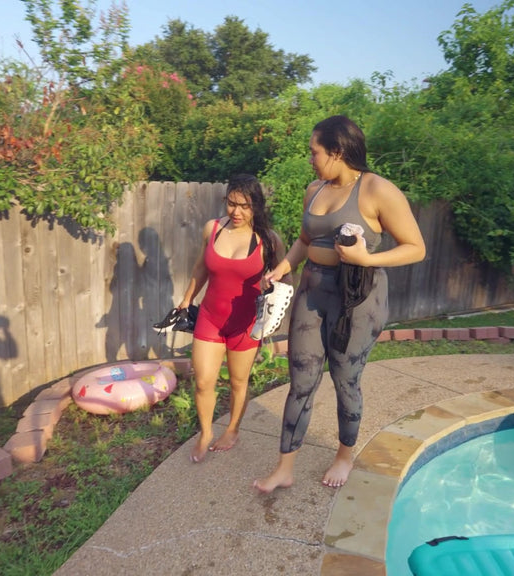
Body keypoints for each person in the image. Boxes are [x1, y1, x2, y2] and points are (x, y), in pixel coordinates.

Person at [253, 115, 426, 492]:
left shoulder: (377, 190)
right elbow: (303, 239)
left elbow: (416, 247)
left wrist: (369, 259)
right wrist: (283, 267)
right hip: (312, 292)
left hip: (358, 300)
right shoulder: (314, 189)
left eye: (314, 152)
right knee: (300, 379)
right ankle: (285, 468)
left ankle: (345, 456)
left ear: (338, 150)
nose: (310, 159)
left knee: (346, 380)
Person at [176, 174, 284, 463]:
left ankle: (233, 429)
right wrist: (187, 299)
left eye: (244, 206)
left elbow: (285, 280)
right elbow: (201, 268)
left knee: (238, 382)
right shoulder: (212, 229)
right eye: (231, 204)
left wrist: (271, 286)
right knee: (203, 381)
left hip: (245, 324)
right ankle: (206, 432)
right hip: (211, 318)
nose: (236, 212)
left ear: (256, 206)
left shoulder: (269, 241)